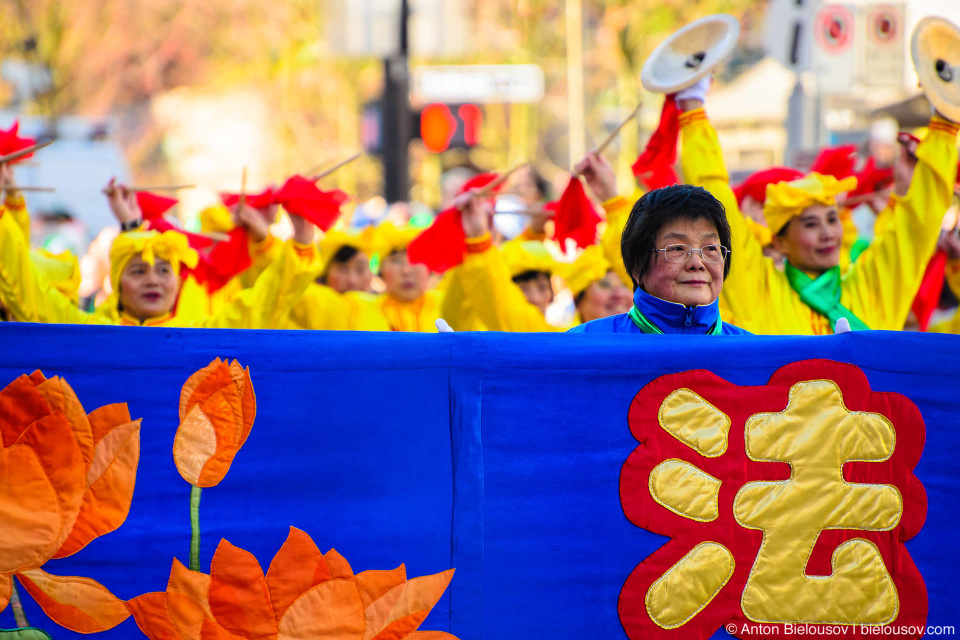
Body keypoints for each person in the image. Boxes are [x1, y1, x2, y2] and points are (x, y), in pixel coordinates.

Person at [678, 80, 959, 334]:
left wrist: (945, 123)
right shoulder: (759, 291)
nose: (828, 233)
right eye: (811, 224)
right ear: (780, 242)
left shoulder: (869, 288)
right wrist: (692, 108)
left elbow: (916, 225)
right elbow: (716, 203)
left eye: (832, 219)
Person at [0, 168, 320, 328]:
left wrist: (302, 241)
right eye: (138, 271)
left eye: (164, 270)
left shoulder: (199, 336)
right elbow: (24, 286)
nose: (153, 280)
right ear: (116, 283)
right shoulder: (89, 331)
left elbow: (263, 307)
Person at [570, 184, 749, 335]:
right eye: (677, 248)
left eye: (710, 248)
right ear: (638, 266)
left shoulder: (752, 354)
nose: (697, 263)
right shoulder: (581, 348)